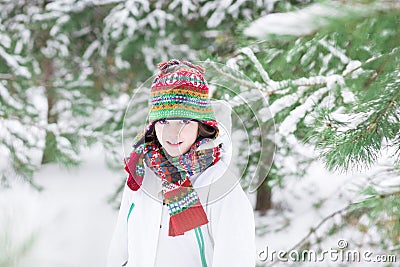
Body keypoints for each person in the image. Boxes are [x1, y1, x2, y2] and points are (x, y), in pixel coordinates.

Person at [107, 59, 255, 267]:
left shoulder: (219, 183)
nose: (171, 132)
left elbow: (236, 256)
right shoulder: (141, 172)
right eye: (164, 121)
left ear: (201, 125)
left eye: (184, 121)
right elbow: (121, 247)